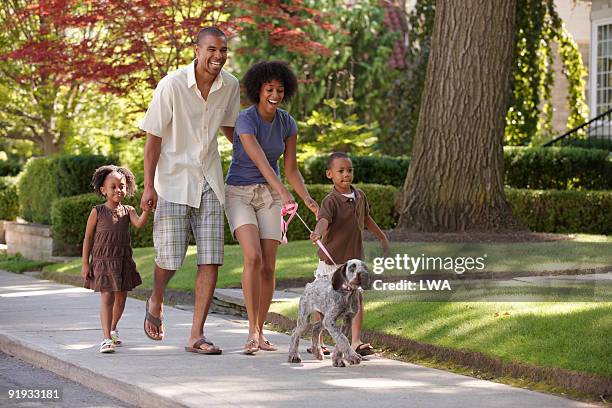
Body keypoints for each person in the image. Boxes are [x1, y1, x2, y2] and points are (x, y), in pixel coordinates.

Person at [138, 27, 240, 355]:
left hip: (209, 179)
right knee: (169, 260)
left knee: (211, 259)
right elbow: (153, 139)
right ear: (196, 50)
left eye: (222, 50)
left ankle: (196, 335)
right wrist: (148, 186)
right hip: (172, 180)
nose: (218, 56)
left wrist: (254, 154)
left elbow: (229, 126)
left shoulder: (231, 86)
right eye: (212, 50)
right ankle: (156, 297)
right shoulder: (171, 86)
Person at [225, 61, 319, 354]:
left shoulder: (287, 123)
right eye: (269, 89)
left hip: (270, 197)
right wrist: (282, 190)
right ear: (259, 90)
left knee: (268, 264)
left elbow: (290, 169)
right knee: (252, 256)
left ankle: (260, 330)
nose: (274, 94)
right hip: (239, 192)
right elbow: (261, 162)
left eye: (279, 89)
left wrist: (307, 199)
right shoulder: (245, 120)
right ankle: (251, 331)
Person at [309, 152, 390, 356]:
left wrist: (382, 238)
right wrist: (318, 232)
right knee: (322, 301)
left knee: (356, 300)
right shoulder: (331, 201)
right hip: (332, 260)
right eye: (341, 171)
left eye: (350, 170)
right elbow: (324, 220)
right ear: (330, 174)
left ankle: (355, 341)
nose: (346, 174)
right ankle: (317, 341)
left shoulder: (360, 196)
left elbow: (366, 218)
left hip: (353, 263)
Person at [81, 165, 150, 354]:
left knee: (121, 298)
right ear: (103, 190)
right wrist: (85, 263)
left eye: (122, 186)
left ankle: (113, 329)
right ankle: (105, 338)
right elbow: (87, 238)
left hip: (122, 261)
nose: (118, 190)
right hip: (103, 261)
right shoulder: (97, 211)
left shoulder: (128, 210)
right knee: (107, 296)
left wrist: (146, 210)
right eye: (113, 186)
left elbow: (139, 224)